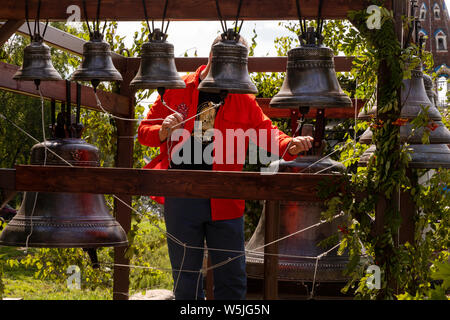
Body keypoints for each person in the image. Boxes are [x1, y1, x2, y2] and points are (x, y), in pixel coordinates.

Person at [137, 35, 314, 300]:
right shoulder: (176, 88)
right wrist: (162, 131)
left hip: (226, 199)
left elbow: (268, 132)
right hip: (181, 195)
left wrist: (291, 145)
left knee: (231, 280)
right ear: (213, 56)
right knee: (186, 281)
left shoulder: (243, 100)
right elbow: (143, 131)